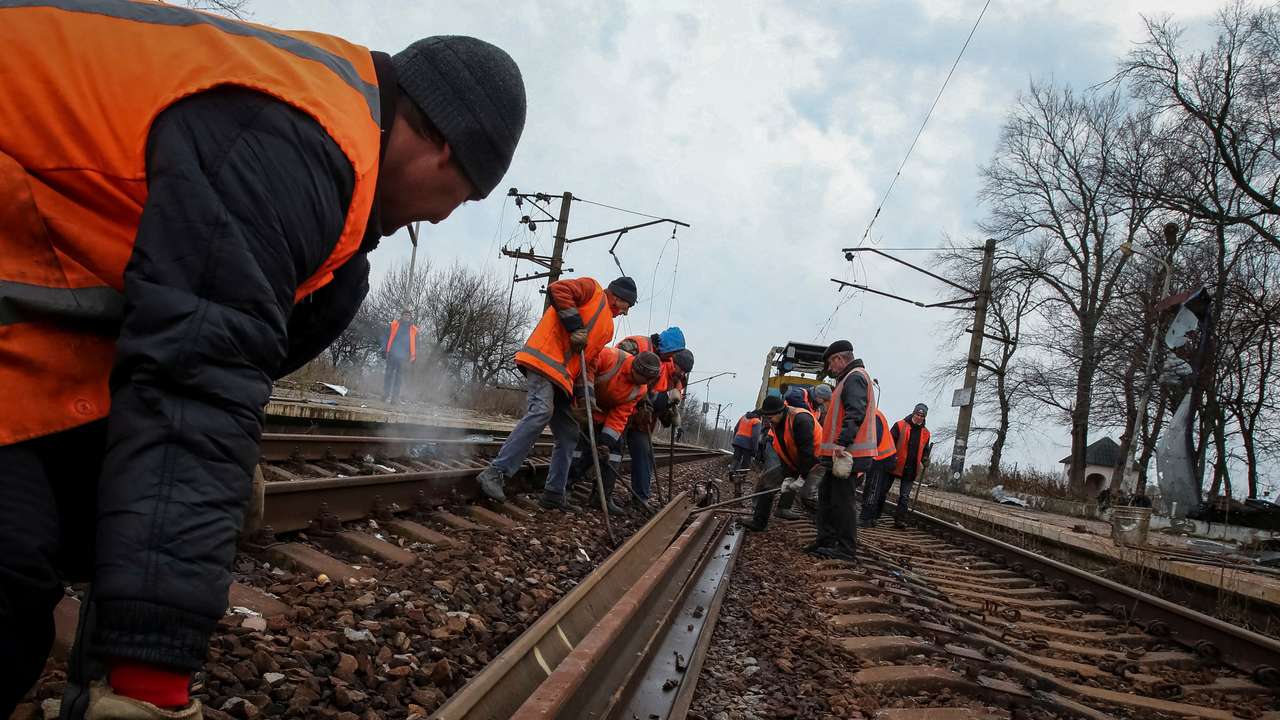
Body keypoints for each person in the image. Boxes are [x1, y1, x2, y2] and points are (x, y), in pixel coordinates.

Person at [0, 4, 527, 716]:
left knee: (86, 515)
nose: (440, 218)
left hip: (28, 295)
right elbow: (194, 383)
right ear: (446, 151)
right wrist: (152, 681)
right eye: (462, 197)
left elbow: (190, 341)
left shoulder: (322, 141)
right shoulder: (297, 141)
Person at [475, 276, 637, 507]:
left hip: (564, 378)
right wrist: (575, 327)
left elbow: (588, 365)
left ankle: (554, 494)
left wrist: (587, 399)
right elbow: (558, 289)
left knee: (570, 433)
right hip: (544, 361)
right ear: (618, 296)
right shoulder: (592, 290)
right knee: (541, 411)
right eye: (627, 306)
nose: (626, 312)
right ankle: (495, 472)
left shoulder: (608, 329)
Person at [565, 349, 663, 514]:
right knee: (579, 449)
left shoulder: (640, 389)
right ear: (635, 368)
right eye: (643, 378)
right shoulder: (611, 357)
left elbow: (620, 416)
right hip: (583, 404)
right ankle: (564, 487)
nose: (643, 382)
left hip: (604, 415)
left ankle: (602, 496)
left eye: (647, 380)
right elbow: (586, 369)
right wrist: (585, 397)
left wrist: (606, 443)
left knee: (615, 450)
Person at [812, 340, 878, 562]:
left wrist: (842, 442)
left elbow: (855, 412)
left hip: (848, 454)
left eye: (831, 363)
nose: (830, 369)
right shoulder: (848, 379)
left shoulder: (855, 377)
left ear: (840, 359)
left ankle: (846, 549)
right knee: (827, 496)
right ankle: (826, 540)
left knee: (842, 501)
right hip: (840, 453)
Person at [742, 396, 822, 531]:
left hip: (817, 461)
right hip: (795, 461)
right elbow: (784, 451)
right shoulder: (777, 423)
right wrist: (788, 475)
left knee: (807, 495)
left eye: (770, 417)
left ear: (780, 412)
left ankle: (830, 530)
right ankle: (758, 522)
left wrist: (801, 477)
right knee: (767, 481)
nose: (768, 421)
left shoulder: (800, 420)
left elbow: (807, 453)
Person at [885, 404, 932, 528]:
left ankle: (899, 520)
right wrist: (889, 458)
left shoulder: (926, 433)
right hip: (894, 465)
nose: (919, 417)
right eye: (917, 414)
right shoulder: (900, 425)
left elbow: (925, 450)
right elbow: (889, 442)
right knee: (882, 491)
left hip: (911, 469)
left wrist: (926, 458)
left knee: (904, 497)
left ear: (924, 417)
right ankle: (874, 515)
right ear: (913, 413)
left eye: (922, 416)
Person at [860, 409, 898, 525]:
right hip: (883, 456)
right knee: (877, 489)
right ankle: (873, 517)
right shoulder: (873, 413)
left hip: (880, 457)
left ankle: (866, 518)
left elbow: (874, 439)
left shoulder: (873, 416)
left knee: (873, 488)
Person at [382, 308, 419, 403]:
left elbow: (416, 344)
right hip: (392, 354)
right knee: (389, 374)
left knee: (399, 377)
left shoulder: (414, 330)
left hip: (404, 357)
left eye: (408, 315)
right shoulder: (394, 325)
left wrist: (414, 356)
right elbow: (385, 337)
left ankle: (395, 398)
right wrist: (384, 349)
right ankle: (385, 395)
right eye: (405, 315)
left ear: (410, 318)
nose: (407, 317)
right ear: (402, 316)